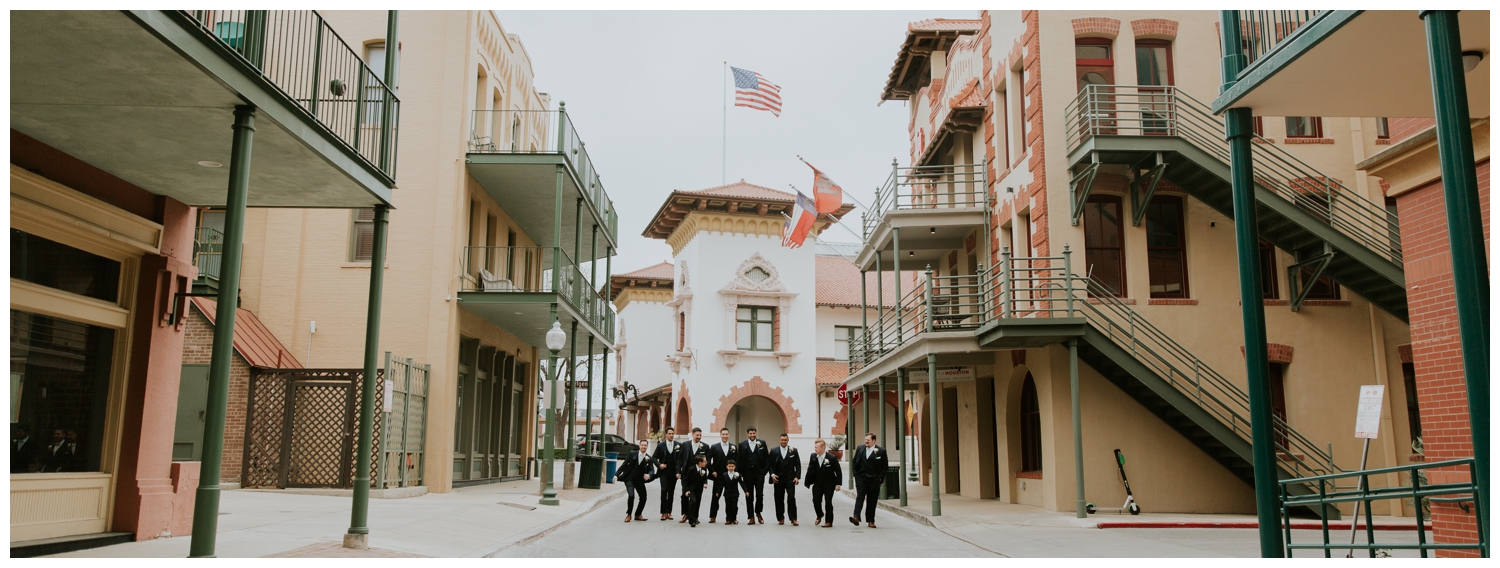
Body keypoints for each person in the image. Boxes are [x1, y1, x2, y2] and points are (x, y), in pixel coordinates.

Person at [850, 433, 887, 528]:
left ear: (874, 441)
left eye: (868, 440)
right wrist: (855, 474)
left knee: (872, 500)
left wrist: (880, 478)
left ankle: (871, 520)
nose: (866, 441)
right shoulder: (860, 448)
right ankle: (856, 517)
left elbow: (884, 466)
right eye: (865, 439)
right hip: (861, 478)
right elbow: (854, 461)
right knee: (860, 497)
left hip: (874, 479)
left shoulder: (881, 451)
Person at [804, 438, 842, 527]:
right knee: (816, 500)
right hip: (817, 484)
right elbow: (810, 468)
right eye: (815, 447)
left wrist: (838, 484)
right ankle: (819, 514)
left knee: (828, 502)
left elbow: (838, 471)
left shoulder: (831, 458)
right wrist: (808, 480)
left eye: (817, 447)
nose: (815, 449)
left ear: (822, 448)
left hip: (829, 484)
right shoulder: (813, 456)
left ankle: (829, 521)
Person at [617, 439, 656, 522]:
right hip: (629, 479)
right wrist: (616, 475)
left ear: (647, 446)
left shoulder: (649, 458)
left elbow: (652, 470)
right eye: (642, 445)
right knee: (631, 496)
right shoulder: (632, 454)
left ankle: (638, 514)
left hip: (639, 480)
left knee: (643, 497)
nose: (643, 447)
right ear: (639, 446)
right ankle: (629, 514)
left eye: (645, 445)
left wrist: (649, 475)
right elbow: (624, 465)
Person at [737, 426, 769, 525]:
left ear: (756, 433)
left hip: (759, 474)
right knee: (749, 496)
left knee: (759, 495)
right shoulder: (742, 444)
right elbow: (739, 459)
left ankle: (758, 512)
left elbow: (767, 458)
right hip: (747, 474)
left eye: (754, 433)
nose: (752, 435)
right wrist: (740, 472)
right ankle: (751, 516)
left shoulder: (762, 443)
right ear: (747, 434)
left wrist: (764, 471)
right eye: (750, 433)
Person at [677, 427, 709, 523]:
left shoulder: (705, 447)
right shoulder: (685, 445)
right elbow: (680, 459)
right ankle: (685, 514)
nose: (699, 437)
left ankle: (695, 516)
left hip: (699, 475)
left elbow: (707, 462)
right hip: (686, 474)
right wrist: (678, 471)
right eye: (697, 435)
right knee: (685, 495)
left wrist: (706, 476)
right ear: (692, 434)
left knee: (697, 497)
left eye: (700, 435)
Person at [768, 433, 801, 525]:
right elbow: (770, 465)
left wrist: (797, 477)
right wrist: (772, 474)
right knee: (778, 499)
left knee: (791, 498)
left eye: (785, 440)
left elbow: (798, 465)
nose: (783, 441)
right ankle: (780, 518)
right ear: (779, 440)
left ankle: (793, 518)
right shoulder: (774, 451)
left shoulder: (793, 451)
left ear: (788, 440)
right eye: (782, 440)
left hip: (790, 479)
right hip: (778, 479)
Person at [652, 427, 683, 521]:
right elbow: (653, 457)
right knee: (664, 490)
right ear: (666, 434)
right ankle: (663, 512)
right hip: (663, 472)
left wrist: (678, 472)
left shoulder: (678, 445)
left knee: (671, 492)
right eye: (669, 433)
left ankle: (669, 512)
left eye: (673, 433)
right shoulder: (661, 445)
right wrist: (659, 465)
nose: (671, 435)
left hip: (673, 472)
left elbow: (680, 460)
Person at [707, 427, 736, 523]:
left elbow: (737, 461)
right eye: (723, 434)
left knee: (731, 497)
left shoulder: (733, 447)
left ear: (729, 435)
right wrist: (712, 471)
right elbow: (708, 460)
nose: (725, 436)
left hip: (730, 476)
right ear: (720, 435)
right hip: (718, 475)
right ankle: (713, 515)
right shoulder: (714, 447)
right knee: (715, 496)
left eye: (726, 434)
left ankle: (732, 517)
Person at [682, 454, 710, 527]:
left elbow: (705, 478)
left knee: (697, 503)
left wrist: (705, 484)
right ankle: (692, 520)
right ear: (699, 462)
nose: (706, 462)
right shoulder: (691, 469)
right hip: (691, 489)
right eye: (704, 461)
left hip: (699, 489)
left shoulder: (704, 469)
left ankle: (696, 517)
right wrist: (687, 490)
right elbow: (685, 480)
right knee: (693, 501)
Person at [720, 460, 743, 525]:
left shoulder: (737, 474)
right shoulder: (724, 475)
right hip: (727, 493)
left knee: (734, 506)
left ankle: (734, 518)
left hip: (735, 493)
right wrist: (718, 492)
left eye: (732, 466)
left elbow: (741, 483)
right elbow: (721, 484)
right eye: (729, 466)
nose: (731, 468)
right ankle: (728, 519)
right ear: (726, 467)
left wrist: (746, 491)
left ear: (735, 467)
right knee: (728, 506)